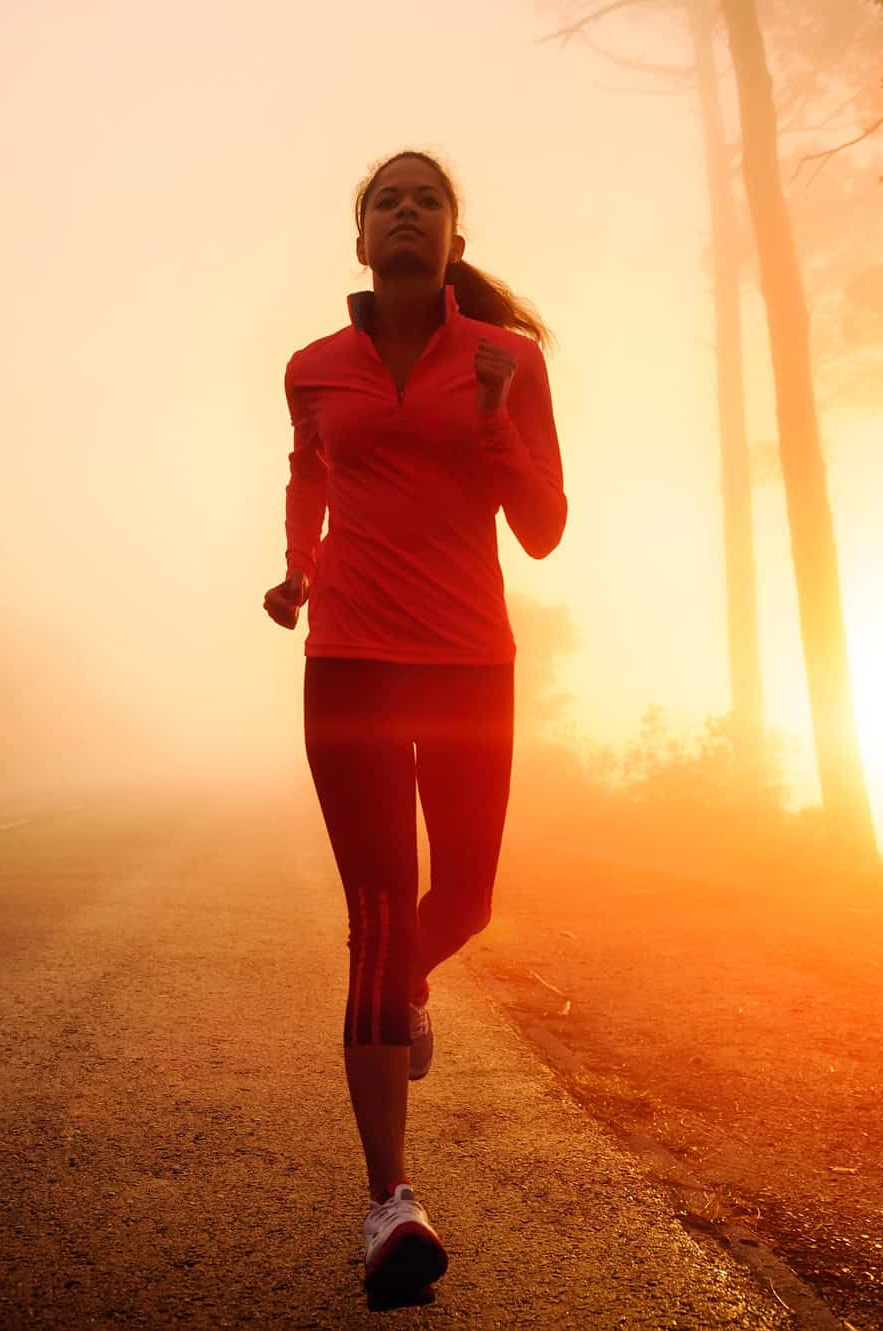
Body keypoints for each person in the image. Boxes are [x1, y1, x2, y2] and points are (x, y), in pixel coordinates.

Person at [262, 148, 567, 1300]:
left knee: (466, 901)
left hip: (467, 662)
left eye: (423, 199)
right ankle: (389, 1200)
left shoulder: (508, 360)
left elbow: (541, 526)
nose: (403, 211)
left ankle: (401, 996)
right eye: (382, 200)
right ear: (359, 241)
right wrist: (297, 569)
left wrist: (493, 423)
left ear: (450, 237)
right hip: (347, 660)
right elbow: (306, 475)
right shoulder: (311, 368)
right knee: (380, 921)